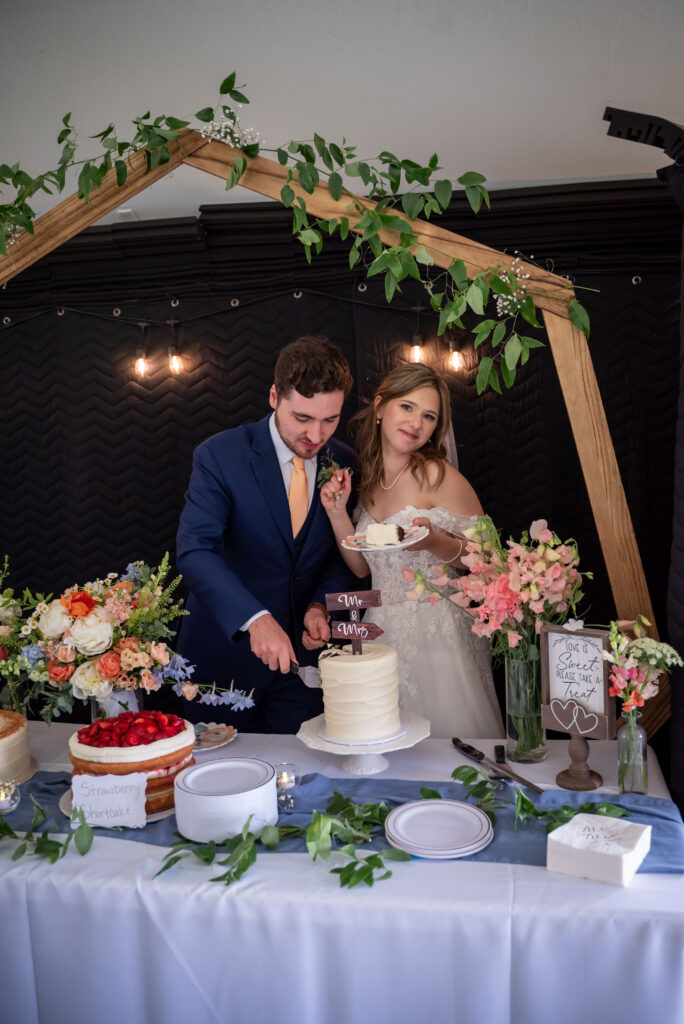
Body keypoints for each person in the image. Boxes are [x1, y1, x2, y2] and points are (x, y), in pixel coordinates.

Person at [175, 336, 358, 733]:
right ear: (274, 396)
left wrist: (320, 605)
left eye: (330, 420)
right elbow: (195, 551)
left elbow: (339, 555)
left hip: (301, 670)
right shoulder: (219, 456)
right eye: (303, 418)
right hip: (222, 662)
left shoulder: (344, 460)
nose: (316, 435)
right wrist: (255, 619)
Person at [319, 363, 504, 739]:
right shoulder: (370, 482)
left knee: (444, 748)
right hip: (380, 633)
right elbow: (361, 568)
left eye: (429, 416)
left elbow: (492, 564)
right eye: (407, 407)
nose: (416, 423)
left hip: (437, 640)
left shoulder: (438, 476)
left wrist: (434, 542)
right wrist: (336, 513)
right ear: (380, 407)